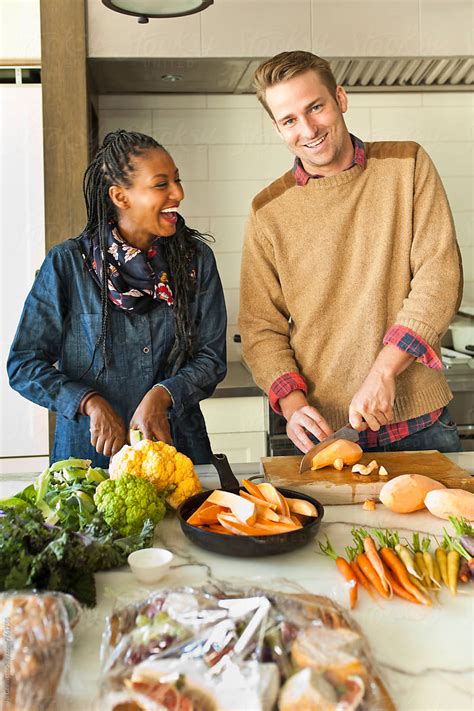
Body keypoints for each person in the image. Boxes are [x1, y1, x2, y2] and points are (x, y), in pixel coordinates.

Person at [239, 51, 463, 454]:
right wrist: (293, 405)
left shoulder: (407, 164)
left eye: (315, 107)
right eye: (289, 120)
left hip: (418, 428)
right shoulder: (267, 210)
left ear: (340, 99)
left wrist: (385, 371)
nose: (307, 129)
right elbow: (260, 328)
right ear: (277, 128)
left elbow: (439, 277)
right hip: (322, 435)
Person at [8, 130, 227, 467]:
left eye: (177, 180)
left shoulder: (194, 260)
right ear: (120, 197)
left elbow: (211, 358)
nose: (178, 193)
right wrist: (87, 400)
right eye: (161, 184)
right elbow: (24, 365)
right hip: (89, 459)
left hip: (176, 451)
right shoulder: (67, 264)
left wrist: (163, 394)